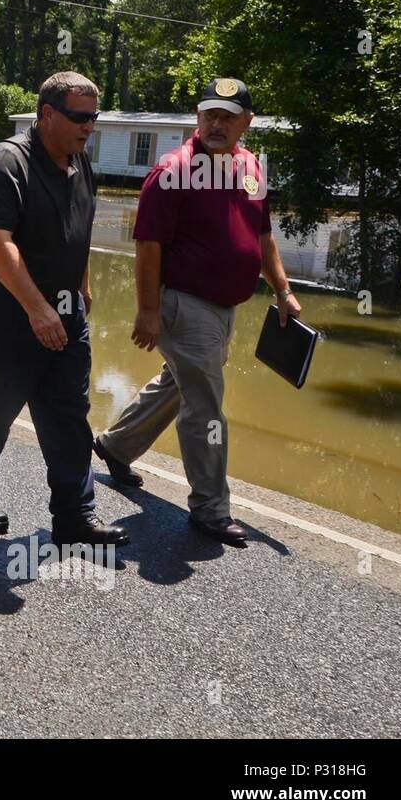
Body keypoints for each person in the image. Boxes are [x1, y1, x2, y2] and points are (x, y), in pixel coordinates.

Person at [94, 77, 301, 546]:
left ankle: (116, 444)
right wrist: (147, 310)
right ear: (197, 117)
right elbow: (148, 245)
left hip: (227, 307)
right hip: (184, 304)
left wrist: (282, 290)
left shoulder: (250, 167)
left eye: (229, 116)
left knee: (180, 382)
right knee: (204, 405)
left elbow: (264, 237)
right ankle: (210, 508)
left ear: (247, 123)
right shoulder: (173, 171)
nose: (217, 123)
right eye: (210, 113)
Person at [0, 71, 128, 552]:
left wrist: (83, 288)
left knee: (70, 415)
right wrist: (36, 307)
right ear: (46, 114)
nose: (89, 126)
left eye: (94, 117)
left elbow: (81, 230)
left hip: (67, 319)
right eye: (79, 117)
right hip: (13, 320)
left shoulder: (79, 162)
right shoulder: (9, 163)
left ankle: (74, 516)